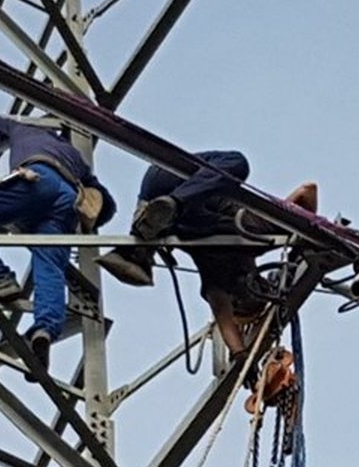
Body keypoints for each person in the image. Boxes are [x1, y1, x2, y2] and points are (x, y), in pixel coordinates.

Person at [95, 151, 317, 364]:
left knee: (234, 166)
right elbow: (308, 190)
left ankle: (152, 226)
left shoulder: (218, 279)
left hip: (165, 190)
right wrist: (303, 244)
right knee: (237, 162)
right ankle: (162, 214)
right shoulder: (263, 235)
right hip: (179, 182)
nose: (239, 297)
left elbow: (224, 321)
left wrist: (240, 356)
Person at [0, 100, 115, 367]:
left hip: (36, 179)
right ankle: (44, 329)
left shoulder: (20, 128)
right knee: (50, 265)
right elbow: (104, 199)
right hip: (67, 199)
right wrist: (93, 221)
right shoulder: (73, 155)